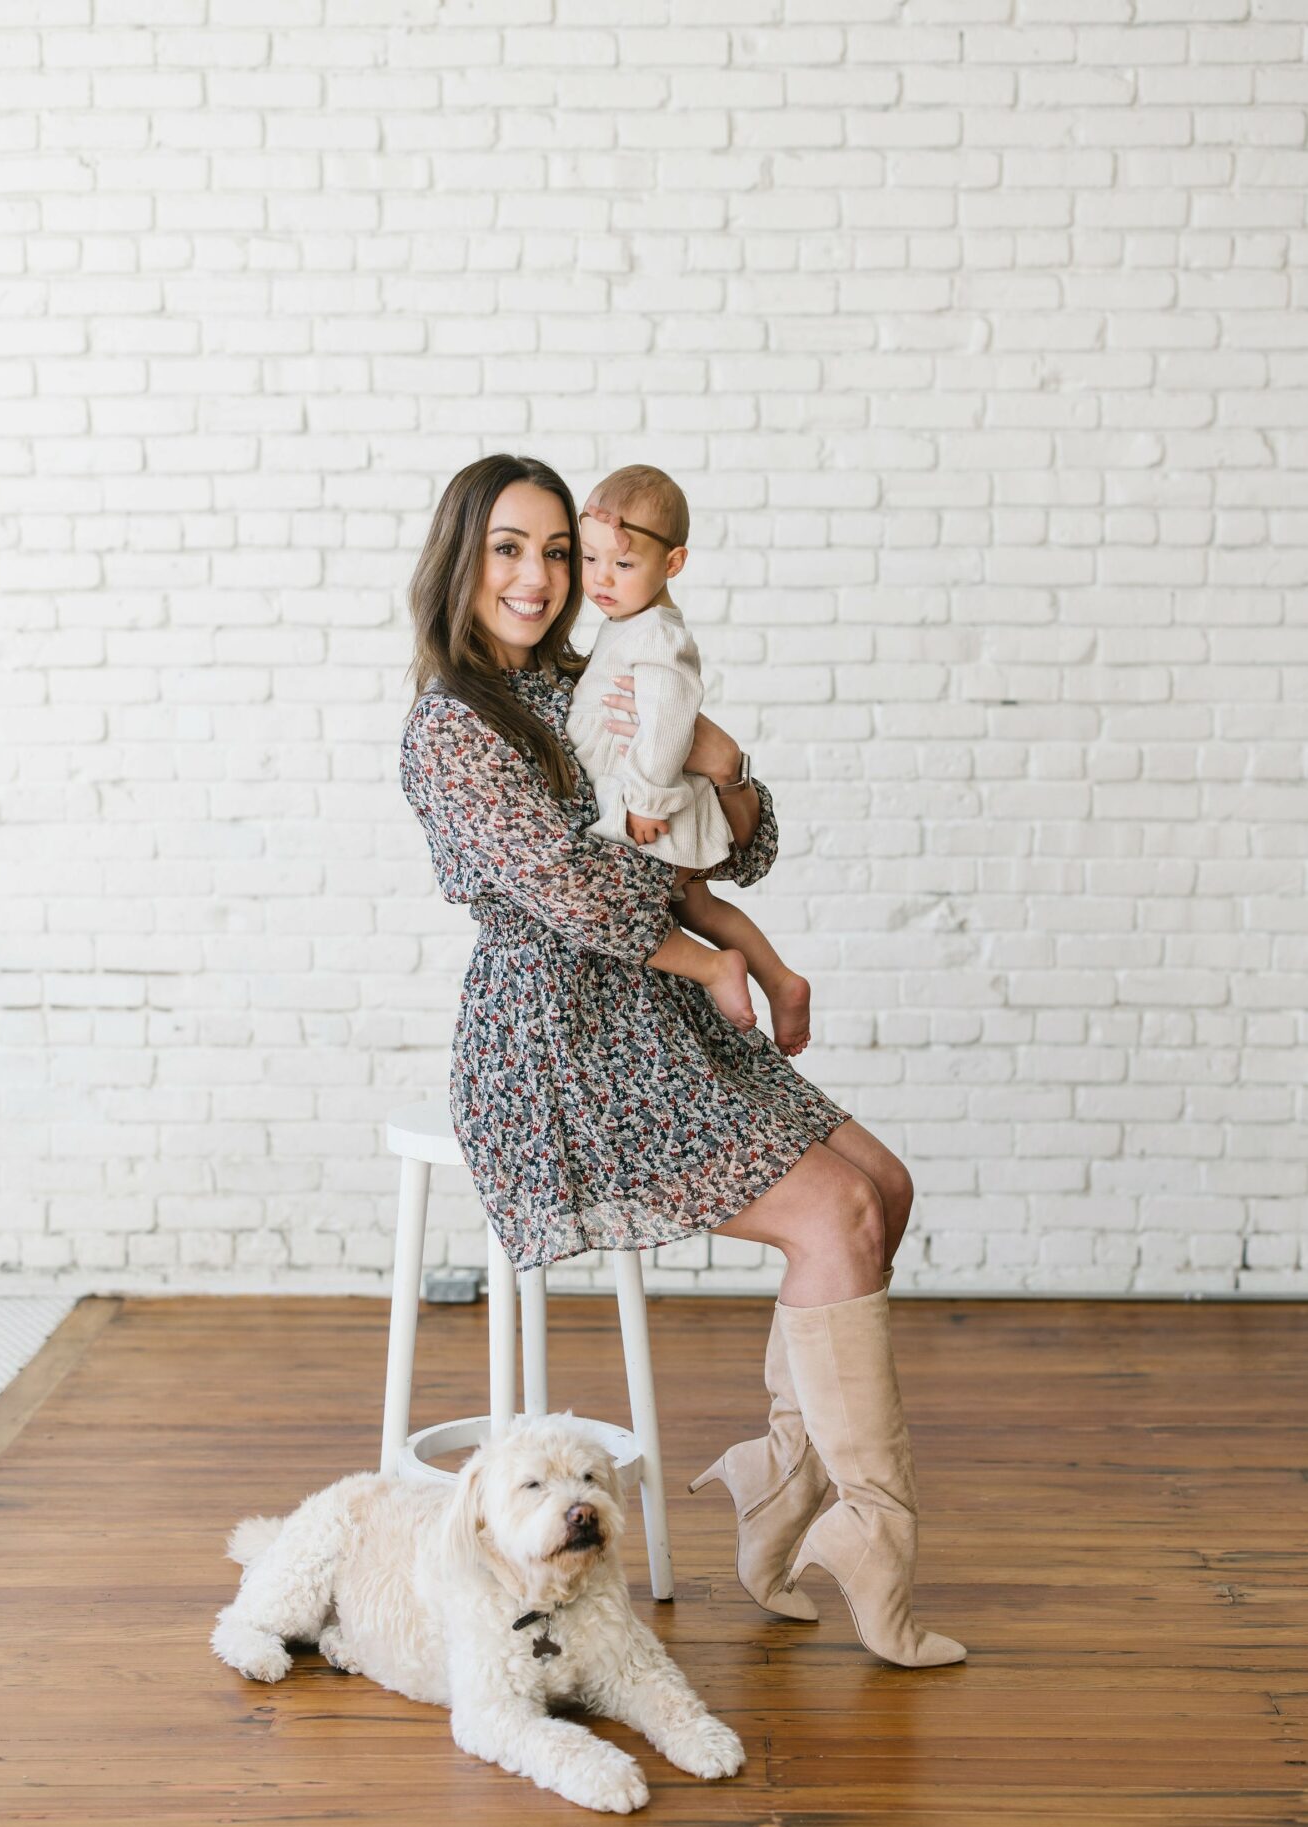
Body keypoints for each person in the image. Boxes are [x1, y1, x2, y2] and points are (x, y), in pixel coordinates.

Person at [398, 452, 966, 1670]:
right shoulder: (452, 725)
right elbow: (572, 890)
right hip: (558, 1035)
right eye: (509, 549)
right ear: (460, 559)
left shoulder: (594, 674)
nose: (540, 576)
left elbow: (731, 850)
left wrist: (727, 767)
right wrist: (712, 958)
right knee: (837, 1214)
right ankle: (877, 1541)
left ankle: (778, 1483)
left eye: (559, 551)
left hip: (662, 1011)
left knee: (886, 1187)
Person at [563, 462, 812, 1057]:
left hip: (651, 806)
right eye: (589, 558)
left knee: (626, 904)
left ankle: (723, 970)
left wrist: (648, 800)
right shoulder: (628, 621)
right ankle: (779, 979)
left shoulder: (657, 634)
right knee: (697, 905)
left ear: (672, 563)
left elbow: (671, 720)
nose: (601, 577)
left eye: (623, 564)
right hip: (652, 797)